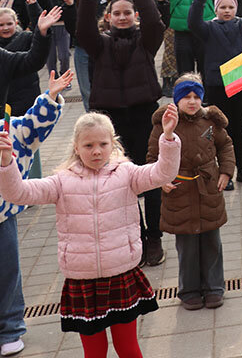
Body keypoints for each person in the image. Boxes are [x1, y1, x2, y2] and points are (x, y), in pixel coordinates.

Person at [0, 102, 180, 357]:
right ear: (76, 147)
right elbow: (17, 192)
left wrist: (169, 137)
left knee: (128, 347)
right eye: (88, 145)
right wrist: (6, 163)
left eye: (102, 144)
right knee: (94, 352)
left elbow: (163, 173)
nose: (96, 151)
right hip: (82, 279)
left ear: (113, 143)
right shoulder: (61, 181)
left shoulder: (126, 173)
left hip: (120, 272)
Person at [75, 0, 169, 267]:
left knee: (150, 178)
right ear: (109, 17)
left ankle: (154, 236)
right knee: (121, 181)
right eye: (117, 13)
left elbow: (155, 21)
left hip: (144, 116)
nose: (123, 17)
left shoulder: (146, 40)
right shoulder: (99, 44)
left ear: (135, 15)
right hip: (110, 120)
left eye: (128, 12)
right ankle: (137, 236)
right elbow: (83, 31)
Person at [0, 69, 72, 357]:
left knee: (7, 272)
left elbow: (30, 127)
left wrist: (51, 95)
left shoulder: (6, 129)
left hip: (2, 217)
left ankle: (10, 327)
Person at [149, 75, 234, 309]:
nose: (192, 101)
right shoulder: (163, 124)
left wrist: (226, 172)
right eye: (186, 97)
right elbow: (152, 157)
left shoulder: (210, 122)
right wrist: (160, 180)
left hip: (208, 190)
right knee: (186, 247)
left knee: (211, 243)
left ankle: (214, 287)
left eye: (197, 97)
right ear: (176, 100)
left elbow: (225, 145)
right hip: (179, 192)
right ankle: (189, 290)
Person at [187, 0, 242, 189]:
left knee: (238, 128)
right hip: (217, 84)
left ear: (236, 9)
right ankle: (223, 172)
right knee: (219, 129)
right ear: (216, 9)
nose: (227, 11)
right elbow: (193, 22)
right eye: (222, 7)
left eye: (230, 7)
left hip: (240, 82)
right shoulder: (209, 28)